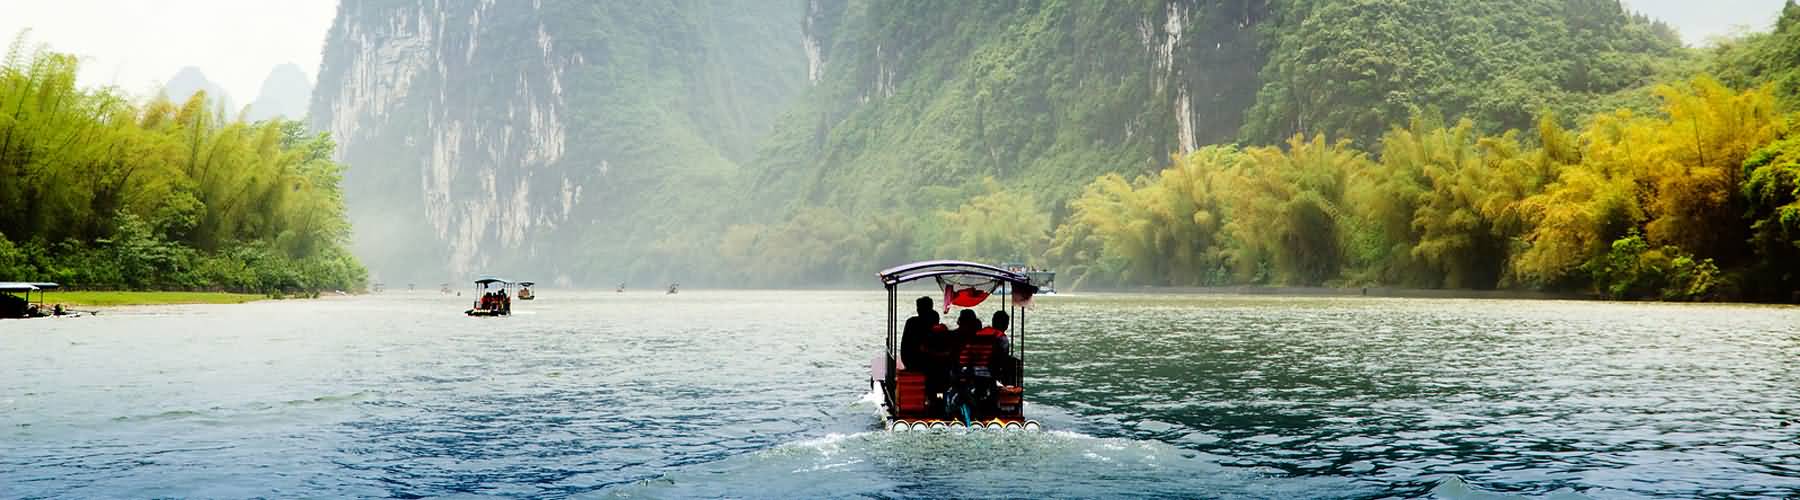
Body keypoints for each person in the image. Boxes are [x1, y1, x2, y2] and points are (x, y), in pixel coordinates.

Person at [899, 296, 938, 371]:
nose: (917, 309)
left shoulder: (911, 321)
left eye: (918, 307)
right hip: (916, 361)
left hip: (909, 361)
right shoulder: (922, 322)